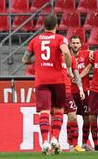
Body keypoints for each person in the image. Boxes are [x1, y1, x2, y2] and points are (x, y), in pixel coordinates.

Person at [22, 15, 73, 155]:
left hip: (41, 80)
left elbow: (24, 60)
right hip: (58, 80)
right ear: (56, 26)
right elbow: (67, 53)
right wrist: (69, 69)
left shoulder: (35, 40)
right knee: (58, 110)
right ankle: (55, 139)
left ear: (44, 26)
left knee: (44, 112)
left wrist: (38, 57)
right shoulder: (60, 39)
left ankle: (44, 142)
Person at [69, 36, 93, 151]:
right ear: (70, 44)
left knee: (87, 118)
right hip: (70, 91)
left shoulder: (86, 55)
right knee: (71, 118)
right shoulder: (66, 57)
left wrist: (79, 77)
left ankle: (84, 143)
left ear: (80, 44)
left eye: (77, 43)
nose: (75, 45)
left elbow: (97, 55)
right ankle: (71, 145)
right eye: (73, 43)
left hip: (84, 91)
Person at [61, 55, 86, 152]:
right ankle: (55, 144)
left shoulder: (70, 58)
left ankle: (75, 145)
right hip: (56, 90)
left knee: (73, 117)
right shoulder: (53, 57)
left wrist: (80, 89)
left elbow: (76, 75)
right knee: (55, 117)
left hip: (67, 91)